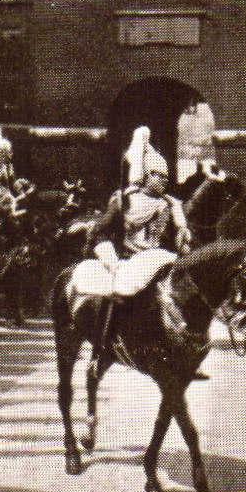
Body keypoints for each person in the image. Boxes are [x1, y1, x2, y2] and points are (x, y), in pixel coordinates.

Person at [88, 127, 192, 348]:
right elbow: (101, 230)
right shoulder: (124, 200)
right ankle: (101, 346)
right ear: (146, 176)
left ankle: (186, 347)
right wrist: (107, 253)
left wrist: (183, 238)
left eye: (166, 177)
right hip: (128, 259)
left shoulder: (170, 204)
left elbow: (176, 239)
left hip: (158, 260)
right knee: (113, 297)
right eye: (158, 176)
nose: (164, 180)